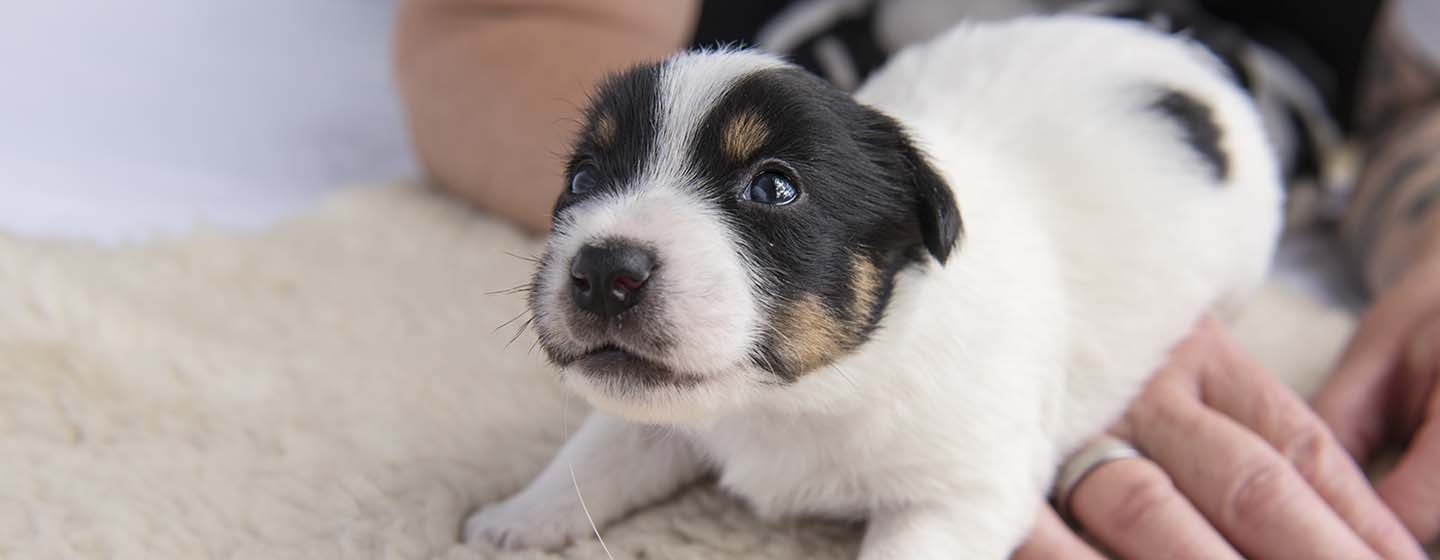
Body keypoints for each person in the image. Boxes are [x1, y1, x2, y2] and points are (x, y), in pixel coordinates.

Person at [395, 0, 1440, 556]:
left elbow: (965, 490)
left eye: (766, 190)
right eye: (593, 174)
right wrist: (537, 512)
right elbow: (499, 22)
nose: (609, 247)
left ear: (911, 246)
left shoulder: (965, 344)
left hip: (1197, 141)